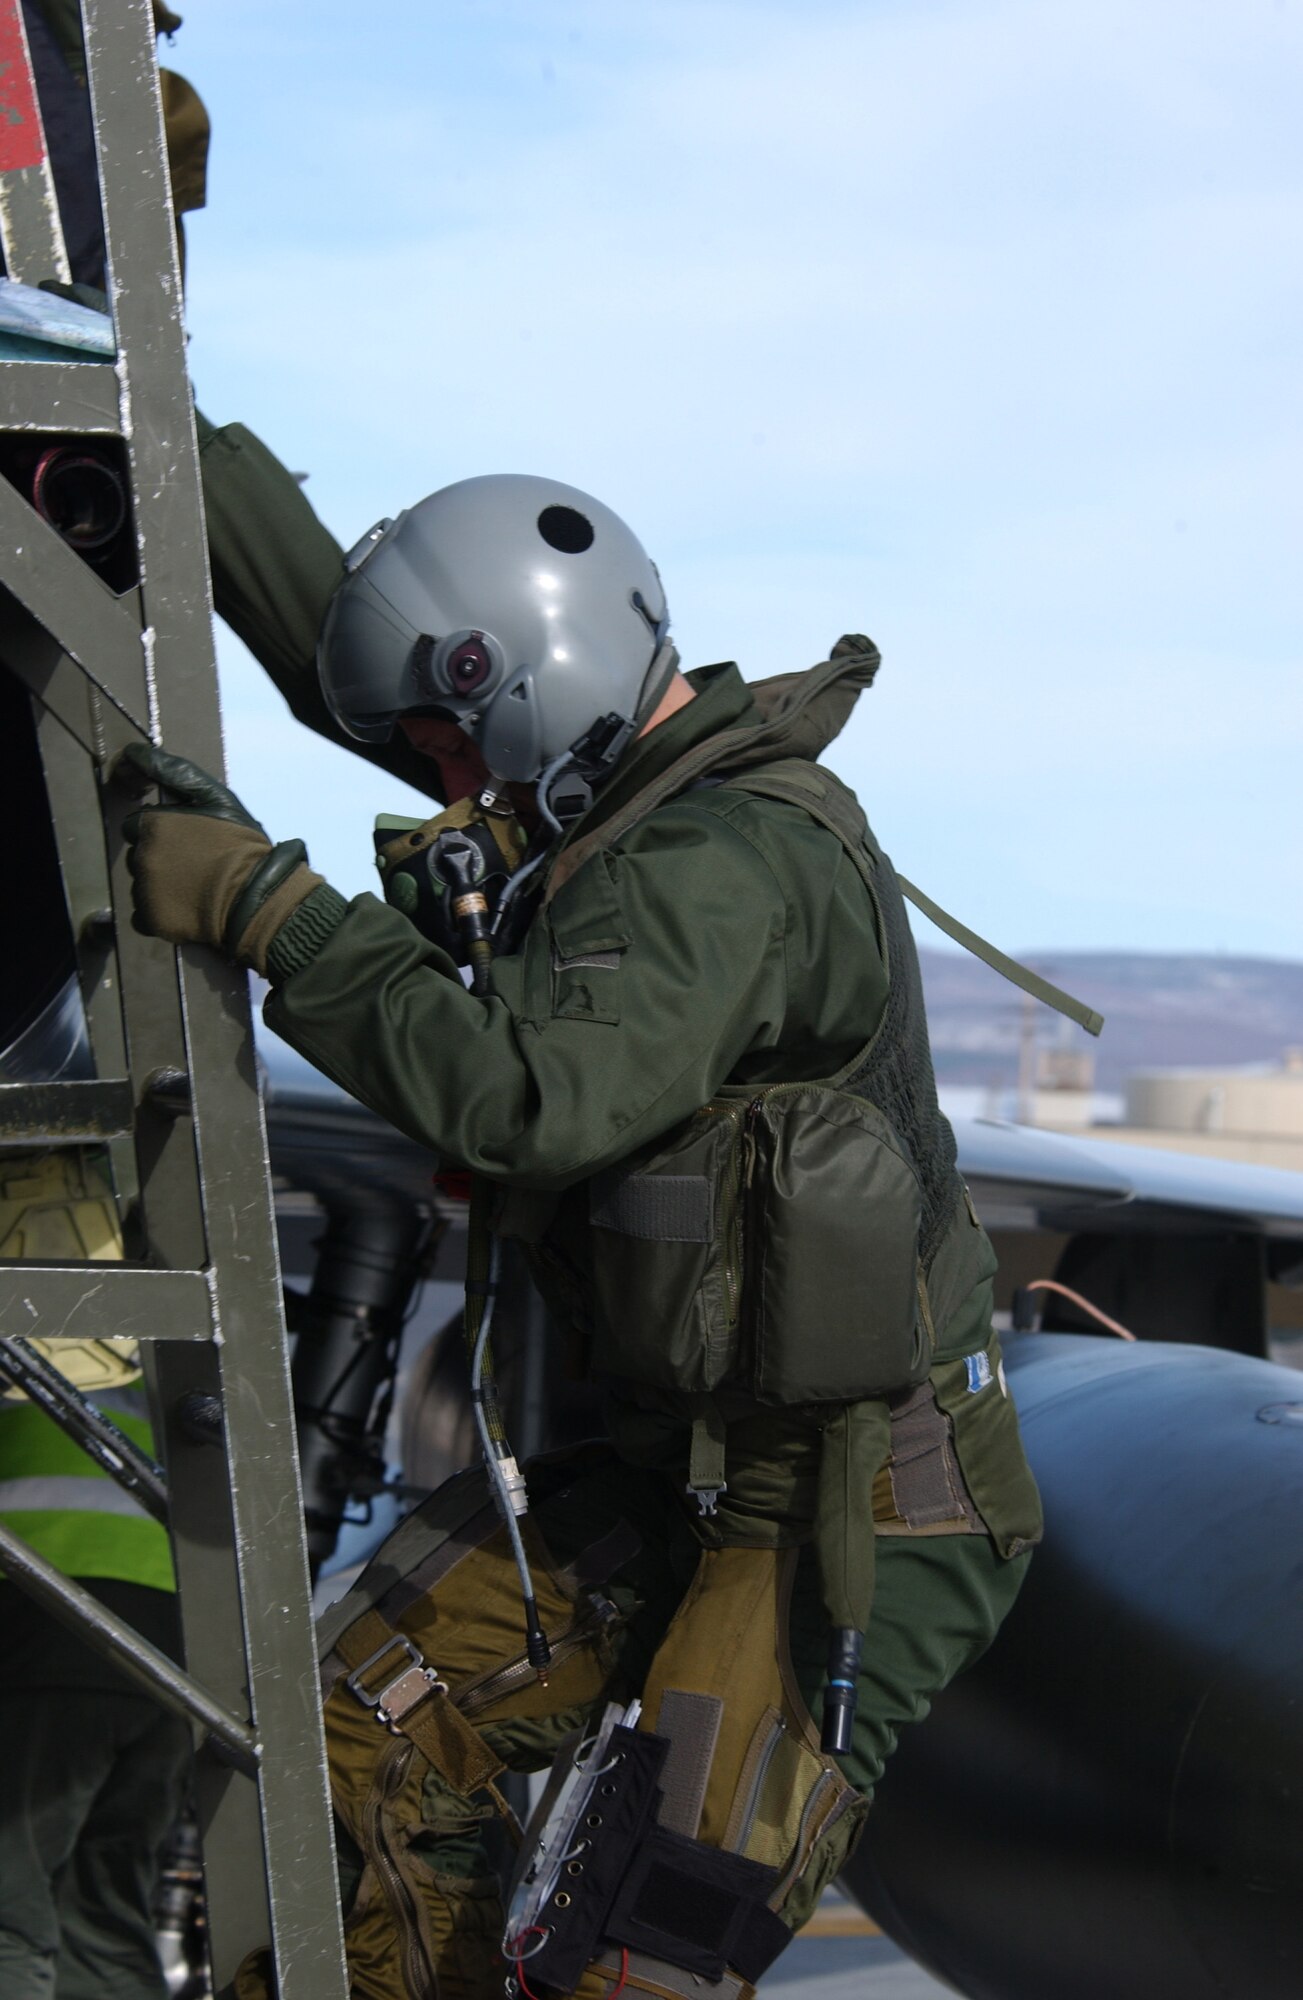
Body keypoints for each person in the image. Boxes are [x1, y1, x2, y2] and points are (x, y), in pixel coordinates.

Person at [125, 459, 1043, 2000]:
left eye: (445, 746)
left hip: (855, 1508)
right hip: (674, 1472)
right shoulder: (608, 813)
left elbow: (531, 1096)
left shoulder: (721, 868)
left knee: (643, 1949)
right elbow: (350, 662)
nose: (434, 783)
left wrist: (276, 914)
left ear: (527, 694)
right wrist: (164, 449)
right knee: (343, 1741)